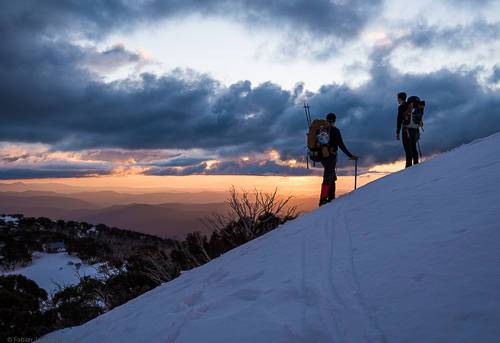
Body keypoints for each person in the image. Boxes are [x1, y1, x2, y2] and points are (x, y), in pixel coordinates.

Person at [319, 112, 358, 206]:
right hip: (331, 157)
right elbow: (341, 145)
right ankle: (323, 200)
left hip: (322, 157)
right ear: (335, 120)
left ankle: (330, 198)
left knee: (331, 176)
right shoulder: (335, 131)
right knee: (327, 177)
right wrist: (350, 155)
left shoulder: (320, 130)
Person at [396, 92, 419, 168]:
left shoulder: (401, 107)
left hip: (406, 131)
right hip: (415, 130)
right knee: (413, 148)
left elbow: (399, 120)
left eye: (398, 98)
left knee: (408, 150)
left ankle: (408, 168)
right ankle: (417, 165)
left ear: (400, 98)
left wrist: (397, 132)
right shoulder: (411, 106)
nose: (397, 100)